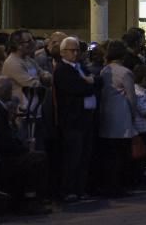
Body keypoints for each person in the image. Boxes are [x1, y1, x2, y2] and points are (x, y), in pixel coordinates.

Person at [0, 75, 51, 215]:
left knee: (35, 156)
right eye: (10, 89)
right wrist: (23, 149)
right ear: (4, 91)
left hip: (4, 151)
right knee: (36, 159)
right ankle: (31, 199)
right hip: (0, 156)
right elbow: (3, 140)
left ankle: (31, 198)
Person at [53, 36, 98, 201]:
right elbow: (79, 88)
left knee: (85, 155)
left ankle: (81, 188)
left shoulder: (81, 67)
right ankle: (69, 189)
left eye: (78, 50)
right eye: (72, 50)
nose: (76, 53)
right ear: (63, 52)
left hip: (86, 118)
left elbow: (97, 82)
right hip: (72, 119)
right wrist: (89, 83)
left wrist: (90, 82)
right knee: (73, 156)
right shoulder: (62, 70)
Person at [98, 40, 138, 197]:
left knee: (109, 154)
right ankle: (119, 186)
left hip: (106, 113)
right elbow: (131, 97)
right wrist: (133, 115)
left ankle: (109, 185)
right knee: (121, 154)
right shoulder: (125, 72)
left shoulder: (104, 70)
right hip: (121, 115)